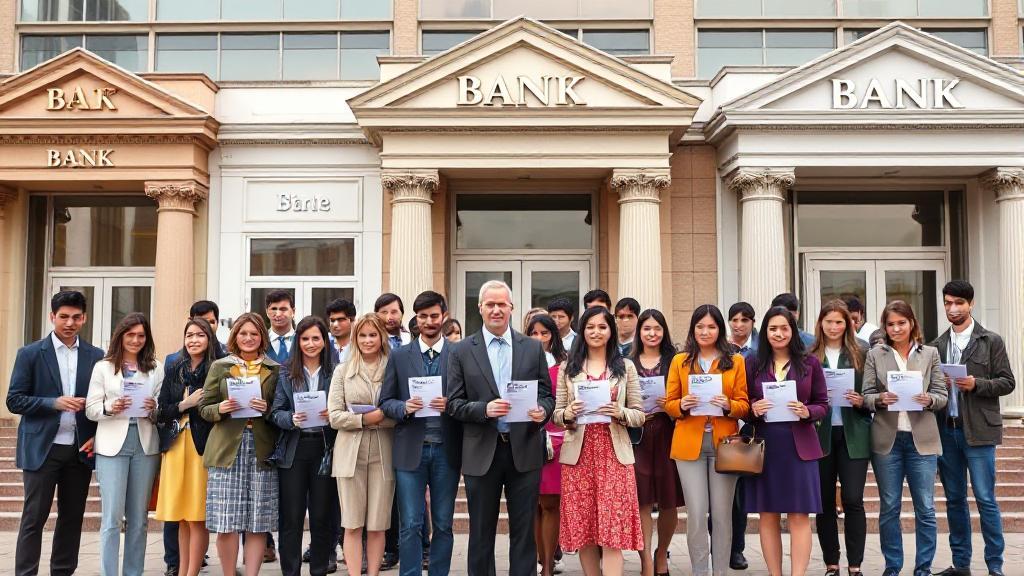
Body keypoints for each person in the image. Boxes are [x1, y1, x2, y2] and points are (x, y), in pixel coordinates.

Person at [447, 280, 554, 576]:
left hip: (524, 449)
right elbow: (453, 404)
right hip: (482, 452)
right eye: (490, 304)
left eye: (501, 304)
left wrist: (542, 410)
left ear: (511, 308)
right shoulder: (461, 351)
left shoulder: (532, 348)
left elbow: (547, 394)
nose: (496, 310)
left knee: (523, 532)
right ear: (479, 308)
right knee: (481, 533)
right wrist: (484, 409)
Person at [8, 290, 104, 576]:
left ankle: (62, 572)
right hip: (42, 449)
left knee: (72, 518)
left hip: (80, 448)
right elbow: (14, 400)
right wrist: (54, 403)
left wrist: (97, 435)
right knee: (33, 519)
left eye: (76, 317)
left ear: (84, 318)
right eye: (63, 317)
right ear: (52, 317)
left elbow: (102, 402)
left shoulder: (97, 356)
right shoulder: (29, 353)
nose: (69, 323)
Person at [552, 305, 645, 576]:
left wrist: (621, 412)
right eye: (590, 327)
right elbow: (557, 414)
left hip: (614, 456)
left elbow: (640, 414)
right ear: (582, 331)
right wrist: (570, 412)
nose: (596, 332)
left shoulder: (625, 367)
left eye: (602, 327)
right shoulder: (568, 367)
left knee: (613, 530)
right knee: (586, 530)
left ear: (611, 331)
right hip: (578, 458)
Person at [931, 281, 1014, 576]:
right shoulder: (936, 345)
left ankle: (995, 566)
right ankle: (961, 564)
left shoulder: (991, 341)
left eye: (959, 303)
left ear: (971, 304)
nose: (953, 309)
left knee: (985, 498)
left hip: (979, 431)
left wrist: (977, 384)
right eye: (948, 303)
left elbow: (1008, 382)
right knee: (954, 500)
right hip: (947, 430)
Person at [861, 300, 947, 576]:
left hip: (921, 439)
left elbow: (942, 395)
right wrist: (880, 399)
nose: (896, 328)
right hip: (888, 440)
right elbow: (866, 396)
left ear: (912, 324)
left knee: (925, 507)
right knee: (889, 507)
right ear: (884, 327)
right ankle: (892, 566)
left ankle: (923, 568)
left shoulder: (930, 353)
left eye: (901, 322)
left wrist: (929, 399)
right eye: (890, 324)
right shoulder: (875, 354)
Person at [380, 291, 462, 576]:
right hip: (410, 449)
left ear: (444, 317)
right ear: (416, 318)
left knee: (443, 523)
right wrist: (404, 407)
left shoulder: (458, 353)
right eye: (423, 316)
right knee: (411, 523)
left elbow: (469, 400)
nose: (429, 321)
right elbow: (385, 402)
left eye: (434, 316)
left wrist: (451, 405)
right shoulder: (400, 356)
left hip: (446, 450)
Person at [665, 305, 748, 576]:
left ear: (720, 330)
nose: (705, 331)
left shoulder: (735, 361)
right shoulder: (680, 361)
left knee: (722, 515)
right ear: (692, 329)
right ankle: (700, 571)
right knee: (697, 514)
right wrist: (682, 405)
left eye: (711, 326)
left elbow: (744, 404)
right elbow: (669, 404)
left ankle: (721, 572)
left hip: (726, 445)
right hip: (689, 445)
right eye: (700, 326)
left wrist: (728, 405)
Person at [745, 306, 828, 576]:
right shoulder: (753, 363)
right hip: (765, 448)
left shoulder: (810, 363)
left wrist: (808, 412)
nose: (778, 333)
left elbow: (823, 405)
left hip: (799, 448)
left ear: (793, 331)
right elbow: (743, 403)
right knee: (767, 515)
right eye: (772, 328)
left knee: (799, 515)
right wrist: (752, 408)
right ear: (765, 331)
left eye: (784, 328)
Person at [200, 312, 281, 576]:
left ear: (262, 338)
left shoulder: (274, 368)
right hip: (226, 449)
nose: (248, 338)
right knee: (227, 520)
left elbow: (280, 409)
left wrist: (267, 408)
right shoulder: (220, 366)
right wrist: (220, 408)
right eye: (243, 333)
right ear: (235, 336)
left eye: (254, 334)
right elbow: (204, 407)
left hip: (261, 448)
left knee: (258, 520)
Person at [85, 313, 164, 576]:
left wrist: (154, 408)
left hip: (145, 444)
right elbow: (91, 409)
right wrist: (110, 406)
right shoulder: (103, 367)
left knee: (139, 520)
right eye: (130, 335)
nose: (136, 340)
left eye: (141, 336)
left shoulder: (156, 367)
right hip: (111, 446)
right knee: (111, 519)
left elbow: (161, 411)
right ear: (120, 336)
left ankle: (134, 572)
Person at [270, 316, 339, 576]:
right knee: (292, 516)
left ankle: (319, 569)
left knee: (321, 515)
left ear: (324, 341)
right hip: (294, 450)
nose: (311, 344)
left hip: (324, 448)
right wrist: (291, 419)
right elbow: (275, 412)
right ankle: (291, 571)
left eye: (316, 338)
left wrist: (333, 415)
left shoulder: (336, 371)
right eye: (305, 338)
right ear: (298, 341)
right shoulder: (286, 372)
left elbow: (344, 406)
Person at [162, 299, 225, 575]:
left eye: (200, 335)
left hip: (203, 445)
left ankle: (192, 571)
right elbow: (161, 411)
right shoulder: (174, 369)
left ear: (209, 338)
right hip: (176, 445)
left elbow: (223, 411)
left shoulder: (218, 368)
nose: (194, 340)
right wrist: (184, 405)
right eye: (189, 335)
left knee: (197, 516)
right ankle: (183, 569)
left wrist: (201, 406)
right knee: (182, 518)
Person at [329, 313, 395, 576]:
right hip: (349, 454)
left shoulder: (393, 367)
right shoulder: (342, 371)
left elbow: (400, 412)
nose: (368, 340)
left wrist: (381, 419)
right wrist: (364, 419)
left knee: (378, 524)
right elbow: (334, 416)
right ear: (355, 339)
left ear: (382, 338)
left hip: (384, 452)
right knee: (353, 524)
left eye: (373, 335)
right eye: (363, 335)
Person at [809, 300, 871, 576]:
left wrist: (862, 400)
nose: (833, 327)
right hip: (819, 433)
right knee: (823, 501)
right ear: (820, 323)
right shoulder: (809, 354)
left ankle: (855, 564)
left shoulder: (862, 352)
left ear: (849, 323)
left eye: (839, 322)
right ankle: (831, 563)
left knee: (853, 498)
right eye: (828, 321)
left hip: (853, 432)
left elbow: (874, 392)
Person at [631, 309, 684, 576]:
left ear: (664, 332)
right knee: (641, 500)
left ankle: (661, 553)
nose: (652, 334)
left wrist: (672, 406)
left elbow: (687, 397)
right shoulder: (626, 362)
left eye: (657, 329)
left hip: (668, 433)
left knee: (668, 501)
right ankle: (646, 563)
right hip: (637, 436)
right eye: (647, 329)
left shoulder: (676, 361)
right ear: (639, 332)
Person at [525, 313, 568, 576]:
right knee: (531, 505)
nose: (539, 338)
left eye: (545, 333)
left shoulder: (565, 365)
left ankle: (548, 566)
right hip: (527, 439)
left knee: (551, 504)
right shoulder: (518, 362)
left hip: (557, 440)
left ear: (553, 335)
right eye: (533, 333)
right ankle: (538, 560)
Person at [725, 301, 757, 570]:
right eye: (734, 320)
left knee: (739, 496)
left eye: (744, 320)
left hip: (746, 429)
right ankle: (719, 547)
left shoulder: (758, 353)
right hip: (719, 426)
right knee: (717, 497)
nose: (739, 325)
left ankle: (737, 549)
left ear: (752, 323)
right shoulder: (719, 352)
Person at [327, 298, 357, 365]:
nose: (335, 325)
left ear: (352, 320)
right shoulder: (324, 342)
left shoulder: (360, 344)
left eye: (340, 319)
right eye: (332, 320)